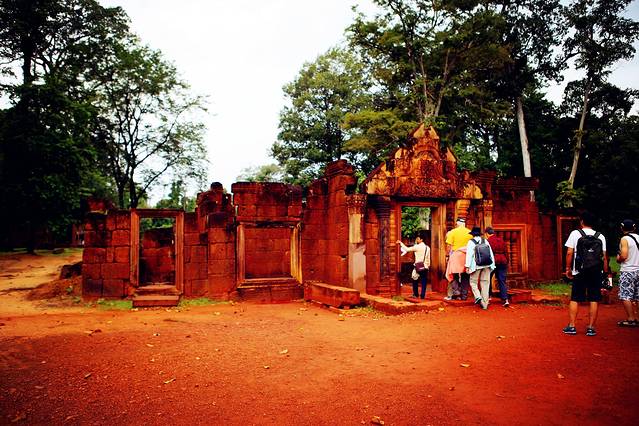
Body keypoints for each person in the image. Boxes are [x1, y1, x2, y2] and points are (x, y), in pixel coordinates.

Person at [563, 211, 610, 336]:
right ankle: (591, 328)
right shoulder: (600, 236)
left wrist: (568, 268)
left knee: (575, 298)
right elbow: (604, 257)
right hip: (596, 271)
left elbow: (569, 252)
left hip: (579, 271)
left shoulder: (575, 233)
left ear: (582, 221)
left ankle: (572, 326)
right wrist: (605, 273)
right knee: (594, 298)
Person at [465, 227, 496, 309]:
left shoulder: (471, 242)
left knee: (473, 282)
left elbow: (469, 255)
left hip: (476, 265)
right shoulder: (485, 241)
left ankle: (478, 296)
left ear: (472, 234)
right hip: (487, 264)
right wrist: (492, 265)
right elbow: (490, 253)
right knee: (485, 283)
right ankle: (485, 304)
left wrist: (467, 266)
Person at [616, 219, 639, 327]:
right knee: (638, 295)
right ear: (634, 228)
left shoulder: (624, 239)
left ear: (622, 228)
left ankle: (631, 318)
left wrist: (618, 258)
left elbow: (624, 255)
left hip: (628, 270)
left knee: (625, 295)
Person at [444, 218, 472, 301]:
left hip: (456, 255)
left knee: (453, 274)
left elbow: (449, 245)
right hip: (466, 256)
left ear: (457, 224)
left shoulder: (452, 232)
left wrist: (447, 256)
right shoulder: (470, 232)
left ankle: (456, 292)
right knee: (465, 275)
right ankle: (464, 295)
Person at [396, 231, 430, 299]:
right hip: (425, 266)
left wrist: (400, 243)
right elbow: (428, 258)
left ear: (421, 240)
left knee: (414, 278)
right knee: (424, 281)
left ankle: (416, 294)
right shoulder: (427, 248)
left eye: (418, 239)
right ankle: (422, 295)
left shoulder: (417, 247)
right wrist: (427, 266)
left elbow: (407, 249)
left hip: (418, 266)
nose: (416, 240)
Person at [485, 227, 510, 307]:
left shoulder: (488, 241)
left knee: (487, 279)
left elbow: (487, 253)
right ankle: (505, 299)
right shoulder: (501, 240)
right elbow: (506, 252)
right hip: (503, 260)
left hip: (493, 261)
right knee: (502, 280)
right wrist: (507, 261)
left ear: (487, 234)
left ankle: (488, 297)